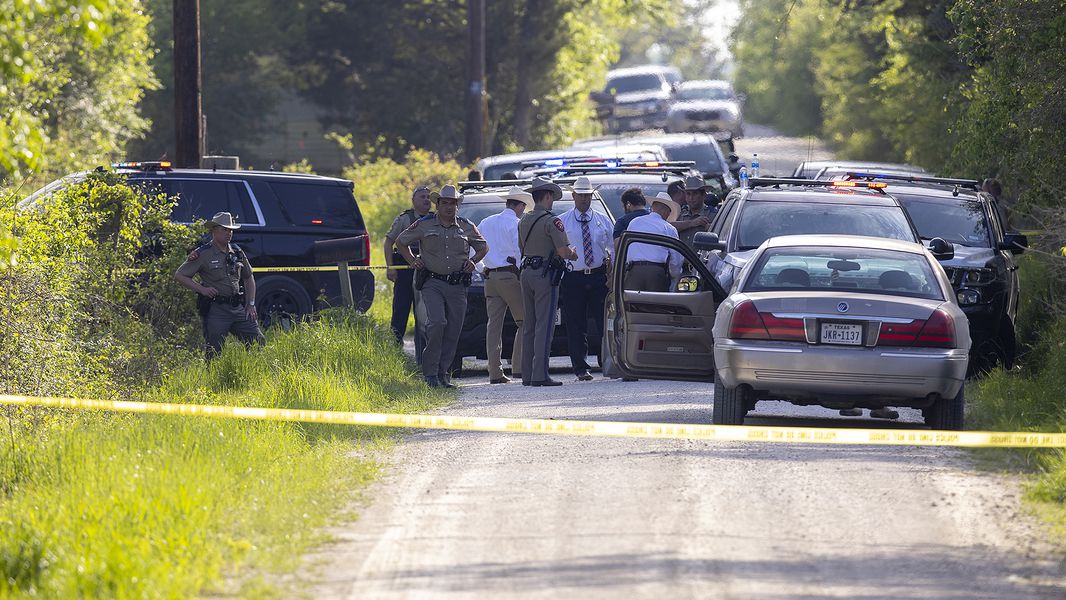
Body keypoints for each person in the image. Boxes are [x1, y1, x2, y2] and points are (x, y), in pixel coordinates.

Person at [395, 185, 488, 388]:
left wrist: (473, 261)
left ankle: (443, 373)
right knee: (437, 323)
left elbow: (483, 247)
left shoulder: (466, 226)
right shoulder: (424, 224)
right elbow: (401, 241)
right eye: (444, 203)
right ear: (437, 205)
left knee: (453, 329)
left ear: (457, 205)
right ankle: (430, 373)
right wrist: (412, 260)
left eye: (452, 203)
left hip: (457, 285)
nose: (448, 207)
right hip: (432, 282)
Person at [175, 211, 265, 358]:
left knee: (258, 341)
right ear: (214, 230)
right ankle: (214, 373)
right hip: (216, 310)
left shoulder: (237, 252)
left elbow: (249, 277)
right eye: (225, 229)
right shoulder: (203, 253)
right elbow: (180, 275)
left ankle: (251, 369)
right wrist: (202, 289)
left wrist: (251, 303)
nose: (229, 233)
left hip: (237, 307)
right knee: (214, 352)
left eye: (230, 230)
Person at [519, 176, 577, 387]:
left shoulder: (524, 219)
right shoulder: (553, 221)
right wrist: (573, 254)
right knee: (545, 325)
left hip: (526, 272)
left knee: (529, 325)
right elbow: (563, 251)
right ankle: (540, 375)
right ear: (548, 196)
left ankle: (527, 374)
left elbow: (522, 247)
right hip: (544, 274)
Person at [558, 177, 613, 381]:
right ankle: (580, 367)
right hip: (573, 276)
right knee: (575, 323)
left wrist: (612, 273)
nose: (584, 199)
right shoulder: (562, 221)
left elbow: (613, 247)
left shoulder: (602, 220)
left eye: (587, 195)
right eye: (580, 195)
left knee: (604, 321)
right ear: (573, 196)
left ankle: (607, 361)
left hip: (598, 275)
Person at [478, 186, 532, 384]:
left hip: (490, 277)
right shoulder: (517, 224)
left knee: (493, 326)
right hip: (510, 276)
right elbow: (519, 252)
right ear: (520, 206)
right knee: (524, 321)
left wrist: (482, 268)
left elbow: (473, 249)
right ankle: (519, 367)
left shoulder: (486, 222)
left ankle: (495, 372)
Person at [384, 185, 432, 345]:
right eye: (422, 197)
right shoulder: (405, 219)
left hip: (428, 270)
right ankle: (395, 344)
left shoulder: (435, 219)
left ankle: (424, 347)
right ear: (413, 200)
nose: (426, 200)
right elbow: (389, 242)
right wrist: (390, 267)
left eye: (428, 197)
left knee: (425, 310)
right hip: (405, 270)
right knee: (401, 308)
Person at [624, 192, 682, 292]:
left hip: (633, 271)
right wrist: (674, 276)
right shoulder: (669, 228)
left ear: (653, 207)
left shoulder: (634, 222)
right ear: (666, 211)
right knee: (656, 302)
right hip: (656, 273)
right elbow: (676, 259)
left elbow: (627, 248)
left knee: (632, 301)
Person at [673, 175, 718, 249]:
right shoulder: (679, 213)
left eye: (695, 194)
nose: (691, 198)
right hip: (681, 256)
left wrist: (712, 229)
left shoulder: (713, 215)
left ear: (703, 195)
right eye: (688, 194)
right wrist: (692, 223)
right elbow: (667, 227)